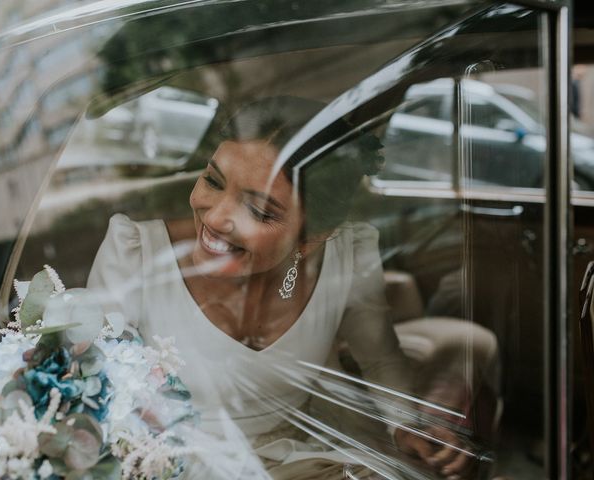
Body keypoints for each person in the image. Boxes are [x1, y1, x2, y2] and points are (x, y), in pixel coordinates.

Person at [87, 96, 475, 479]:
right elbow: (98, 390)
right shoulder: (134, 256)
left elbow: (380, 359)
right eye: (212, 180)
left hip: (302, 462)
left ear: (313, 237)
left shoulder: (346, 258)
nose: (216, 216)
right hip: (170, 466)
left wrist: (407, 426)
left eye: (258, 210)